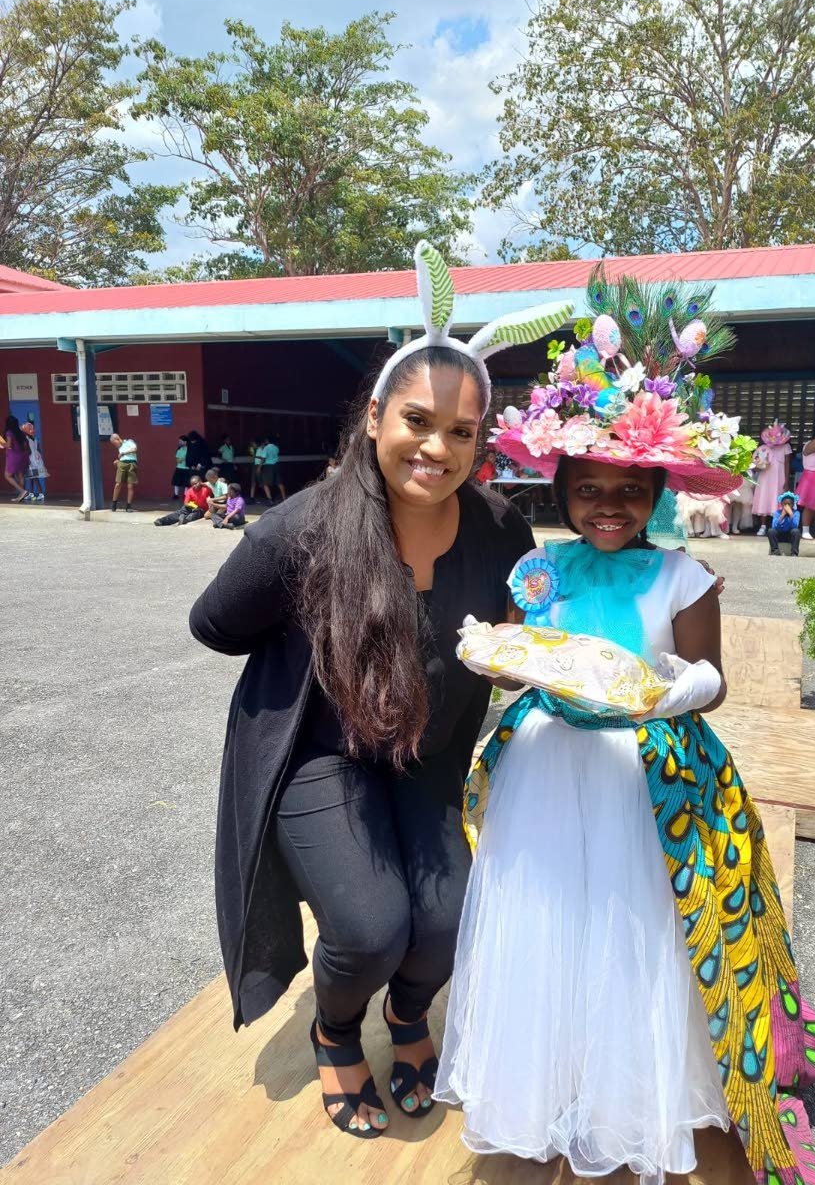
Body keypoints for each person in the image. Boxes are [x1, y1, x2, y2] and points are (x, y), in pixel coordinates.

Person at [433, 284, 815, 1185]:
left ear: (653, 493)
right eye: (587, 490)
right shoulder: (538, 568)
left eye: (625, 490)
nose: (606, 505)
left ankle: (627, 1090)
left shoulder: (683, 576)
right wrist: (496, 660)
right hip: (547, 767)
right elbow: (515, 650)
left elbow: (713, 681)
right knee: (549, 919)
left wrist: (671, 687)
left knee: (633, 928)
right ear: (563, 492)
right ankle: (549, 1080)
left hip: (642, 777)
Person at [189, 240, 572, 1140]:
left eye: (462, 431)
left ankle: (407, 1020)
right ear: (373, 418)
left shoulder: (500, 526)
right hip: (326, 754)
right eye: (417, 421)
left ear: (482, 439)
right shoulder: (304, 530)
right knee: (369, 924)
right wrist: (300, 643)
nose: (437, 448)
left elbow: (524, 624)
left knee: (443, 923)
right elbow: (212, 625)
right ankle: (334, 1031)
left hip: (430, 758)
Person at [752, 422, 792, 534]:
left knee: (778, 499)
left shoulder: (786, 447)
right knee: (764, 498)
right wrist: (759, 464)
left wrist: (787, 481)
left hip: (779, 477)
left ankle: (777, 526)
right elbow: (755, 465)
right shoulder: (762, 448)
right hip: (765, 477)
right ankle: (763, 526)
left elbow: (787, 464)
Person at [1, 415, 30, 502]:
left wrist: (2, 443)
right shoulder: (20, 432)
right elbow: (26, 444)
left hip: (13, 457)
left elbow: (9, 445)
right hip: (23, 455)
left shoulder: (9, 432)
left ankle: (22, 491)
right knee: (20, 475)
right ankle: (21, 496)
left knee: (7, 476)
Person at [109, 433, 138, 512]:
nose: (115, 446)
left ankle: (128, 505)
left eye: (115, 443)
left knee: (130, 485)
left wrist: (124, 453)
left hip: (132, 463)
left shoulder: (129, 442)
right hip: (122, 464)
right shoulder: (119, 447)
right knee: (118, 483)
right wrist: (118, 461)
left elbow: (134, 449)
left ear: (118, 439)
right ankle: (114, 503)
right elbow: (122, 457)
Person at [767, 490, 802, 556]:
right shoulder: (777, 512)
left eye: (789, 504)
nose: (787, 506)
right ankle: (775, 551)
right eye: (785, 504)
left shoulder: (796, 513)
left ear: (793, 504)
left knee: (796, 531)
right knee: (771, 531)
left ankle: (794, 553)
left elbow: (795, 526)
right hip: (780, 535)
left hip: (789, 536)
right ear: (781, 504)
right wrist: (782, 516)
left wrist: (791, 515)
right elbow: (774, 526)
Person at [21, 422, 49, 503]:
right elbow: (39, 449)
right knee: (31, 477)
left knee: (34, 477)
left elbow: (27, 451)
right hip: (36, 459)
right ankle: (31, 493)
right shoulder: (35, 439)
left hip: (31, 460)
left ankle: (40, 493)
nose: (32, 430)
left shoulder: (26, 439)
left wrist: (27, 458)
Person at [260, 435, 286, 504]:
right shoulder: (276, 448)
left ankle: (270, 499)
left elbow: (263, 458)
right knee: (279, 482)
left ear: (267, 441)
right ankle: (284, 498)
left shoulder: (266, 448)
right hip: (276, 465)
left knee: (265, 483)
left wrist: (259, 467)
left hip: (268, 466)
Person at [172, 435, 191, 500]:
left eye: (181, 441)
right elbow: (178, 460)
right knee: (176, 482)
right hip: (179, 468)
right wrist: (184, 458)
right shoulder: (179, 449)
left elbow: (190, 458)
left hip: (187, 468)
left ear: (185, 442)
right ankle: (176, 495)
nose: (179, 442)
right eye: (179, 441)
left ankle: (185, 495)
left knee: (186, 483)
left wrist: (183, 459)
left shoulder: (190, 449)